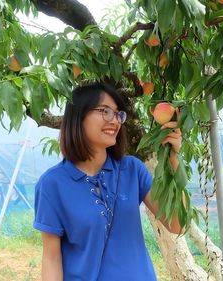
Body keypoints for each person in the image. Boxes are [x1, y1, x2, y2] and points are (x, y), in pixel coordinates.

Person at [33, 82, 185, 281]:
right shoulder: (52, 184)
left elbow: (176, 225)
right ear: (78, 117)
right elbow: (52, 258)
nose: (115, 120)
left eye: (117, 114)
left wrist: (173, 159)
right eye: (105, 111)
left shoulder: (132, 170)